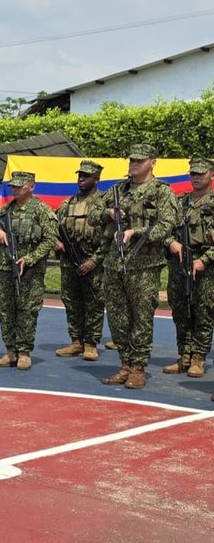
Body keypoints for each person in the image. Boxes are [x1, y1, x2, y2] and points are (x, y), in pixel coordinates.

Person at [88, 144, 180, 389]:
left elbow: (167, 225)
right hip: (114, 263)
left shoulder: (162, 192)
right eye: (132, 160)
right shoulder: (118, 189)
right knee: (118, 318)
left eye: (140, 160)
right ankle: (125, 364)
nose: (134, 164)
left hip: (145, 265)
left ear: (152, 162)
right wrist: (108, 212)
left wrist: (135, 231)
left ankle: (138, 368)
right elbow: (92, 214)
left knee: (140, 318)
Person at [0, 171, 58, 370]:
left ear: (31, 187)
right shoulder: (5, 210)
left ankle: (24, 352)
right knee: (6, 310)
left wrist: (30, 258)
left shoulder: (41, 210)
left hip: (30, 270)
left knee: (27, 310)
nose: (15, 190)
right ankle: (10, 351)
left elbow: (50, 239)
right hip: (6, 267)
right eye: (13, 187)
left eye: (20, 186)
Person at [162, 157, 214, 378]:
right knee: (181, 310)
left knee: (203, 312)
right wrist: (170, 242)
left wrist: (205, 260)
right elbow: (164, 227)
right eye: (193, 173)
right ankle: (184, 355)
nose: (196, 177)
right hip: (180, 264)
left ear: (211, 175)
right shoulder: (179, 202)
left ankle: (199, 358)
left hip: (206, 266)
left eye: (201, 174)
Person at [54, 160, 107, 361]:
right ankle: (76, 341)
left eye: (86, 176)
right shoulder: (68, 203)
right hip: (70, 259)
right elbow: (53, 227)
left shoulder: (103, 202)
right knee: (71, 300)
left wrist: (95, 260)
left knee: (94, 301)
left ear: (97, 178)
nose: (81, 179)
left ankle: (91, 343)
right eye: (80, 175)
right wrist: (56, 243)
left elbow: (110, 235)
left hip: (93, 260)